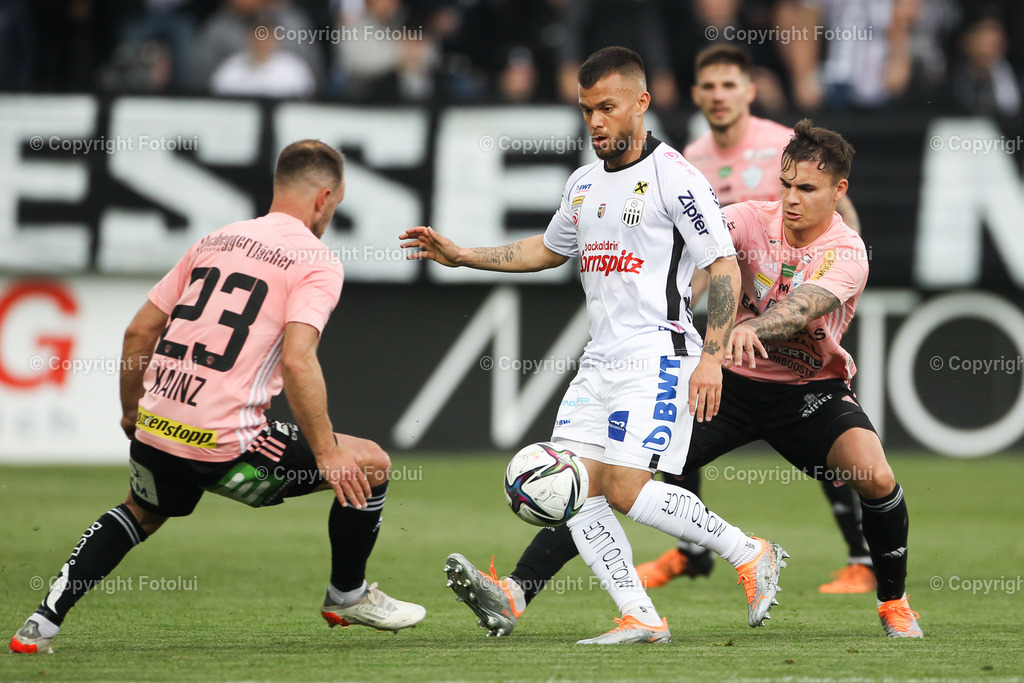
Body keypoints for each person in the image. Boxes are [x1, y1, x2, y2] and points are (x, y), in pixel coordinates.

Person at [434, 120, 924, 640]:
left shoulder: (847, 252)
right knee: (604, 476)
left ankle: (893, 603)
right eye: (785, 185)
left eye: (807, 188)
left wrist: (750, 327)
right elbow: (687, 252)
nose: (791, 199)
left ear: (839, 190)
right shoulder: (746, 219)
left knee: (875, 476)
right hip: (726, 383)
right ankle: (518, 590)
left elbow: (802, 309)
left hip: (808, 391)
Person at [401, 47, 788, 645]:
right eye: (586, 110)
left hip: (660, 354)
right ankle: (640, 615)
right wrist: (463, 255)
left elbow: (723, 266)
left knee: (626, 488)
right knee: (573, 487)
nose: (596, 122)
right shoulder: (583, 184)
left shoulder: (676, 177)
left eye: (607, 107)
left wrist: (711, 358)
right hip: (599, 361)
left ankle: (749, 551)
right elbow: (545, 249)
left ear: (642, 102)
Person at [9, 140, 425, 655]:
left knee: (140, 511)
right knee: (372, 463)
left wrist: (132, 410)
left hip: (157, 426)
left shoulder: (216, 239)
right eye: (335, 206)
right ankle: (348, 594)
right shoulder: (317, 261)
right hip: (226, 446)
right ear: (324, 198)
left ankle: (41, 623)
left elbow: (139, 331)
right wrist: (326, 453)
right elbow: (298, 360)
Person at [636, 44, 874, 595]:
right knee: (677, 412)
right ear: (696, 95)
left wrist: (840, 274)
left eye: (729, 85)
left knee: (830, 439)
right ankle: (692, 549)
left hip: (803, 305)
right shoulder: (692, 156)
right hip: (736, 312)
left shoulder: (782, 146)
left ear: (750, 91)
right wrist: (676, 305)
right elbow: (706, 250)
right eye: (709, 87)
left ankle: (862, 557)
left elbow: (839, 216)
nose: (719, 96)